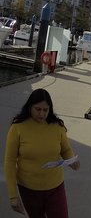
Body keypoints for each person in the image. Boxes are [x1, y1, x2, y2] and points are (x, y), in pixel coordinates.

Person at [4, 88, 80, 217]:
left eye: (45, 110)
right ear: (29, 107)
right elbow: (10, 162)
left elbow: (65, 149)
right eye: (37, 109)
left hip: (55, 186)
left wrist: (72, 160)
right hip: (29, 189)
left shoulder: (57, 126)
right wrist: (13, 196)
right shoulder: (18, 127)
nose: (41, 114)